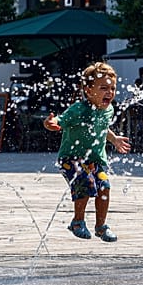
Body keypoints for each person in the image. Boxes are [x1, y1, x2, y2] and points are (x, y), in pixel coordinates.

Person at [43, 62, 131, 242]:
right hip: (71, 158)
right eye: (104, 88)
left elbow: (102, 127)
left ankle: (100, 226)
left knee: (104, 188)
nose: (110, 92)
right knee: (86, 183)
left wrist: (114, 139)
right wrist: (50, 123)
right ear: (89, 91)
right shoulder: (78, 109)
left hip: (95, 160)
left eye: (113, 88)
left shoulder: (108, 110)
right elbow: (60, 120)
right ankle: (77, 221)